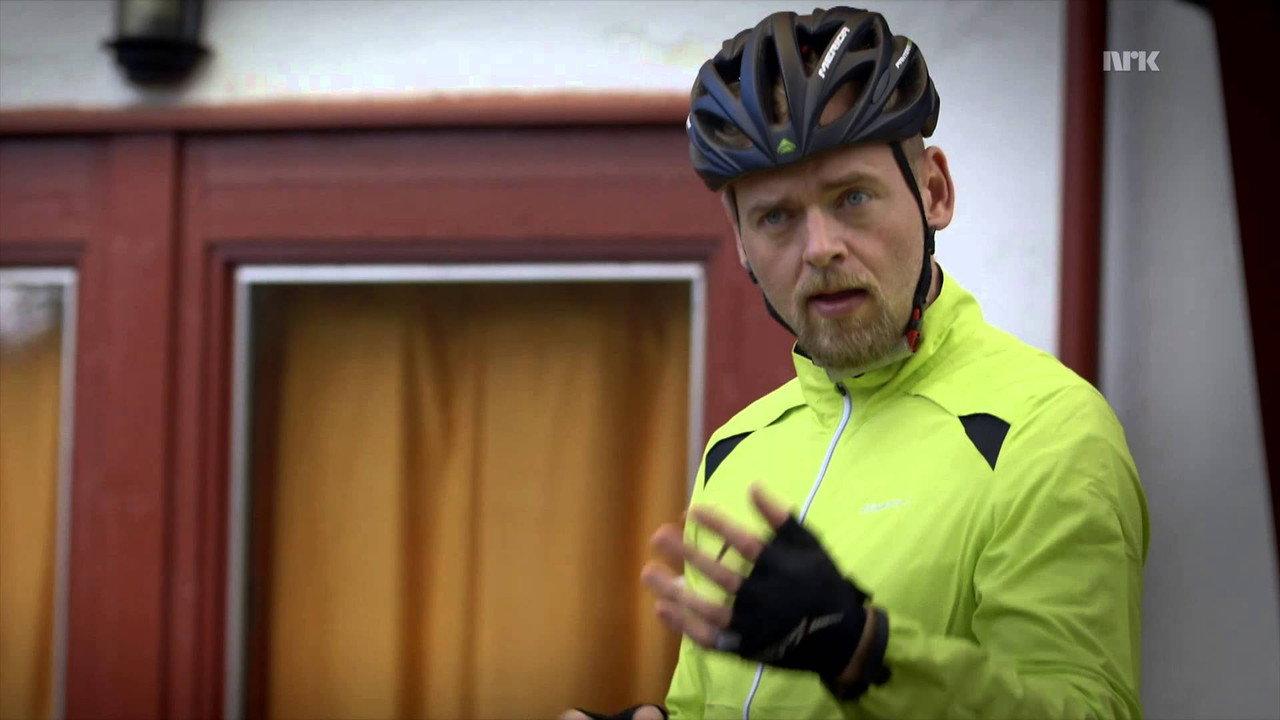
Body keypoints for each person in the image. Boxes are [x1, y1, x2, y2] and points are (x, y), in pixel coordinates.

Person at [564, 6, 1148, 719]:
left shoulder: (1045, 431)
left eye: (853, 197)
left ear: (934, 192)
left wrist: (865, 653)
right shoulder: (737, 447)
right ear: (741, 241)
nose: (820, 249)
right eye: (776, 216)